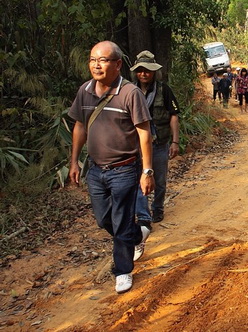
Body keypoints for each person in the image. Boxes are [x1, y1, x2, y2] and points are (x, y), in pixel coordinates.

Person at [68, 41, 154, 294]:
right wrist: (74, 161)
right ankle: (137, 234)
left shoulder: (130, 93)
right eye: (93, 59)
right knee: (104, 219)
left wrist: (147, 171)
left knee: (120, 219)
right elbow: (80, 126)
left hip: (125, 169)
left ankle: (123, 270)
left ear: (117, 65)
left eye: (103, 60)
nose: (96, 64)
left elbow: (144, 132)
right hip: (95, 170)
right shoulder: (84, 91)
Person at [130, 50, 180, 261]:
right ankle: (144, 217)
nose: (144, 74)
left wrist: (175, 141)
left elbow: (174, 115)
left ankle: (157, 208)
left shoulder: (164, 90)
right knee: (139, 180)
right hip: (136, 146)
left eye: (147, 71)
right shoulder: (130, 92)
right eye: (140, 71)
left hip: (159, 143)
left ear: (154, 72)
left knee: (158, 179)